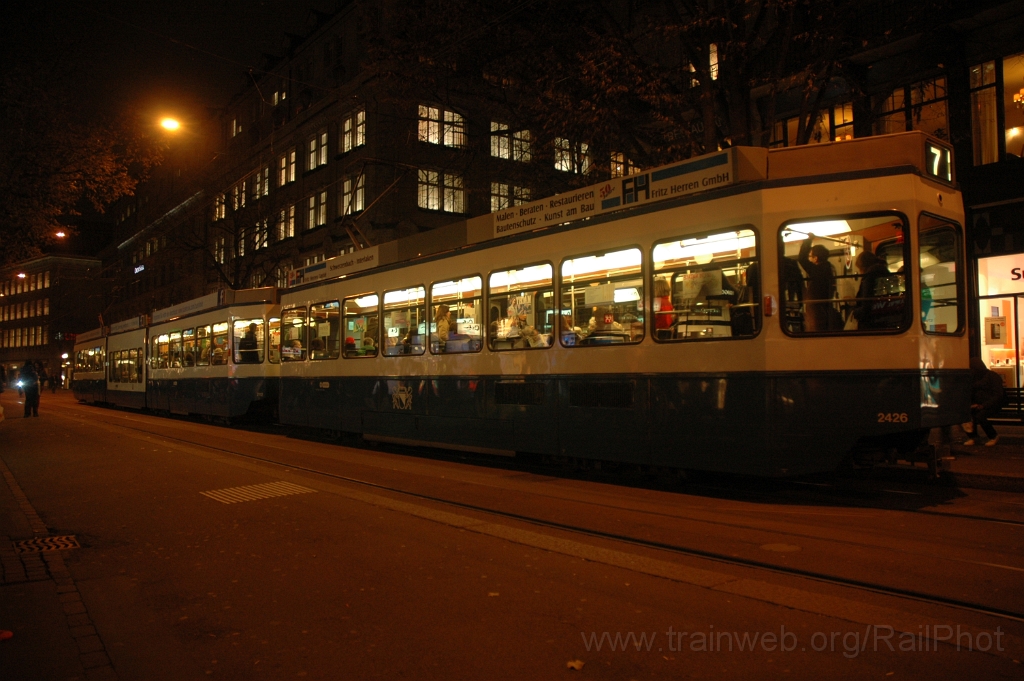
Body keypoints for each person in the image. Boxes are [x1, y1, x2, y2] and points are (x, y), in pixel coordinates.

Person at [797, 236, 837, 332]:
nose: (810, 259)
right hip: (824, 306)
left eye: (811, 256)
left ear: (816, 258)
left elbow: (802, 258)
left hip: (816, 307)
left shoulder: (818, 270)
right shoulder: (829, 269)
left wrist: (808, 240)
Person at [964, 358, 1006, 446]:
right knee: (965, 415)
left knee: (980, 416)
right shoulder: (975, 377)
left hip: (992, 405)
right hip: (980, 404)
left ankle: (993, 436)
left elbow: (997, 396)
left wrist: (983, 405)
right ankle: (973, 437)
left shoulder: (992, 376)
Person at [852, 250, 889, 330]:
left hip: (870, 323)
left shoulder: (869, 277)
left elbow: (867, 305)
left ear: (863, 267)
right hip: (886, 318)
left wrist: (854, 312)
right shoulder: (886, 273)